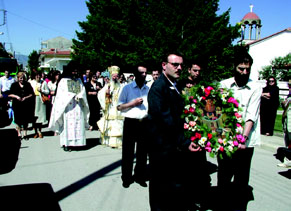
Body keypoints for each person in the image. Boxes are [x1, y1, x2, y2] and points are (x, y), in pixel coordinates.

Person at [147, 52, 204, 211]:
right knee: (160, 188)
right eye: (175, 64)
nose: (179, 68)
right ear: (164, 65)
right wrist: (186, 142)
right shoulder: (159, 88)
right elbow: (166, 121)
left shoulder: (176, 85)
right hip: (162, 148)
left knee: (174, 188)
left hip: (174, 147)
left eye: (181, 65)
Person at [218, 48, 262, 211]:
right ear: (234, 67)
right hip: (225, 140)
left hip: (245, 141)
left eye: (247, 69)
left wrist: (242, 138)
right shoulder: (223, 85)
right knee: (223, 176)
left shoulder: (256, 87)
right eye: (241, 69)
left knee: (241, 179)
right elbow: (218, 113)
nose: (244, 72)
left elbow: (251, 115)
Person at [117, 65, 149, 188]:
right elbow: (119, 107)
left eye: (145, 73)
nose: (144, 75)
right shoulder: (127, 88)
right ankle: (126, 177)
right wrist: (133, 103)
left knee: (142, 153)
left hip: (144, 123)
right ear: (135, 74)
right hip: (131, 122)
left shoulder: (148, 88)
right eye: (141, 73)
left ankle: (140, 176)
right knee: (128, 152)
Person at [49, 61, 90, 151]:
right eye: (73, 71)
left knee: (78, 124)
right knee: (67, 125)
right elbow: (61, 94)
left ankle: (79, 143)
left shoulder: (79, 80)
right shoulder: (63, 81)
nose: (75, 73)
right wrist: (71, 95)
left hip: (78, 106)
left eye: (76, 71)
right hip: (68, 107)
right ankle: (66, 144)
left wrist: (80, 95)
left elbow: (82, 90)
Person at [97, 66, 124, 148]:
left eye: (117, 76)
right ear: (111, 76)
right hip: (110, 109)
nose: (115, 77)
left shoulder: (122, 86)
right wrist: (106, 94)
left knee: (118, 125)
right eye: (114, 76)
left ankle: (118, 142)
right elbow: (100, 94)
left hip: (119, 109)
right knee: (110, 125)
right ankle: (108, 141)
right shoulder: (108, 86)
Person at [9, 72, 35, 139]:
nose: (22, 79)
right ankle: (19, 133)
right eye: (20, 78)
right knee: (18, 120)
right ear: (18, 78)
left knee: (25, 120)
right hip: (17, 105)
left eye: (23, 78)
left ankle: (25, 134)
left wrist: (25, 98)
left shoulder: (27, 84)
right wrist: (16, 96)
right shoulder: (14, 85)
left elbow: (32, 94)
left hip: (25, 105)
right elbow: (9, 94)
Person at [29, 72, 49, 138]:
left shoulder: (44, 82)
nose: (38, 77)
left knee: (40, 117)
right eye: (36, 76)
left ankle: (40, 131)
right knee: (34, 117)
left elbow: (47, 91)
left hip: (41, 100)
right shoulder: (31, 82)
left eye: (39, 76)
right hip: (33, 100)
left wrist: (41, 90)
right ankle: (35, 132)